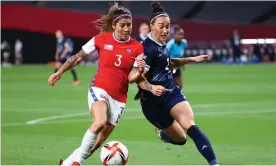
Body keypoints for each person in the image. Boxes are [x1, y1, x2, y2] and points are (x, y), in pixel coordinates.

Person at [48, 3, 166, 166]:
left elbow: (132, 78)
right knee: (99, 122)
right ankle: (78, 163)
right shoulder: (101, 39)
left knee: (96, 145)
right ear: (114, 25)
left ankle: (67, 164)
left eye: (129, 25)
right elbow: (77, 57)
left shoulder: (137, 47)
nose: (126, 29)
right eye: (122, 25)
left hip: (119, 99)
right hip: (99, 89)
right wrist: (59, 72)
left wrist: (143, 76)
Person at [135, 2, 219, 165]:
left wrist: (191, 59)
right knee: (181, 139)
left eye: (168, 26)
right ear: (152, 26)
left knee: (191, 127)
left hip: (171, 92)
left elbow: (168, 62)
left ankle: (215, 164)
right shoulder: (146, 49)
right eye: (162, 26)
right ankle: (162, 133)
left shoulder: (162, 43)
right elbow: (138, 79)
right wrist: (152, 88)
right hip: (153, 105)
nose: (166, 30)